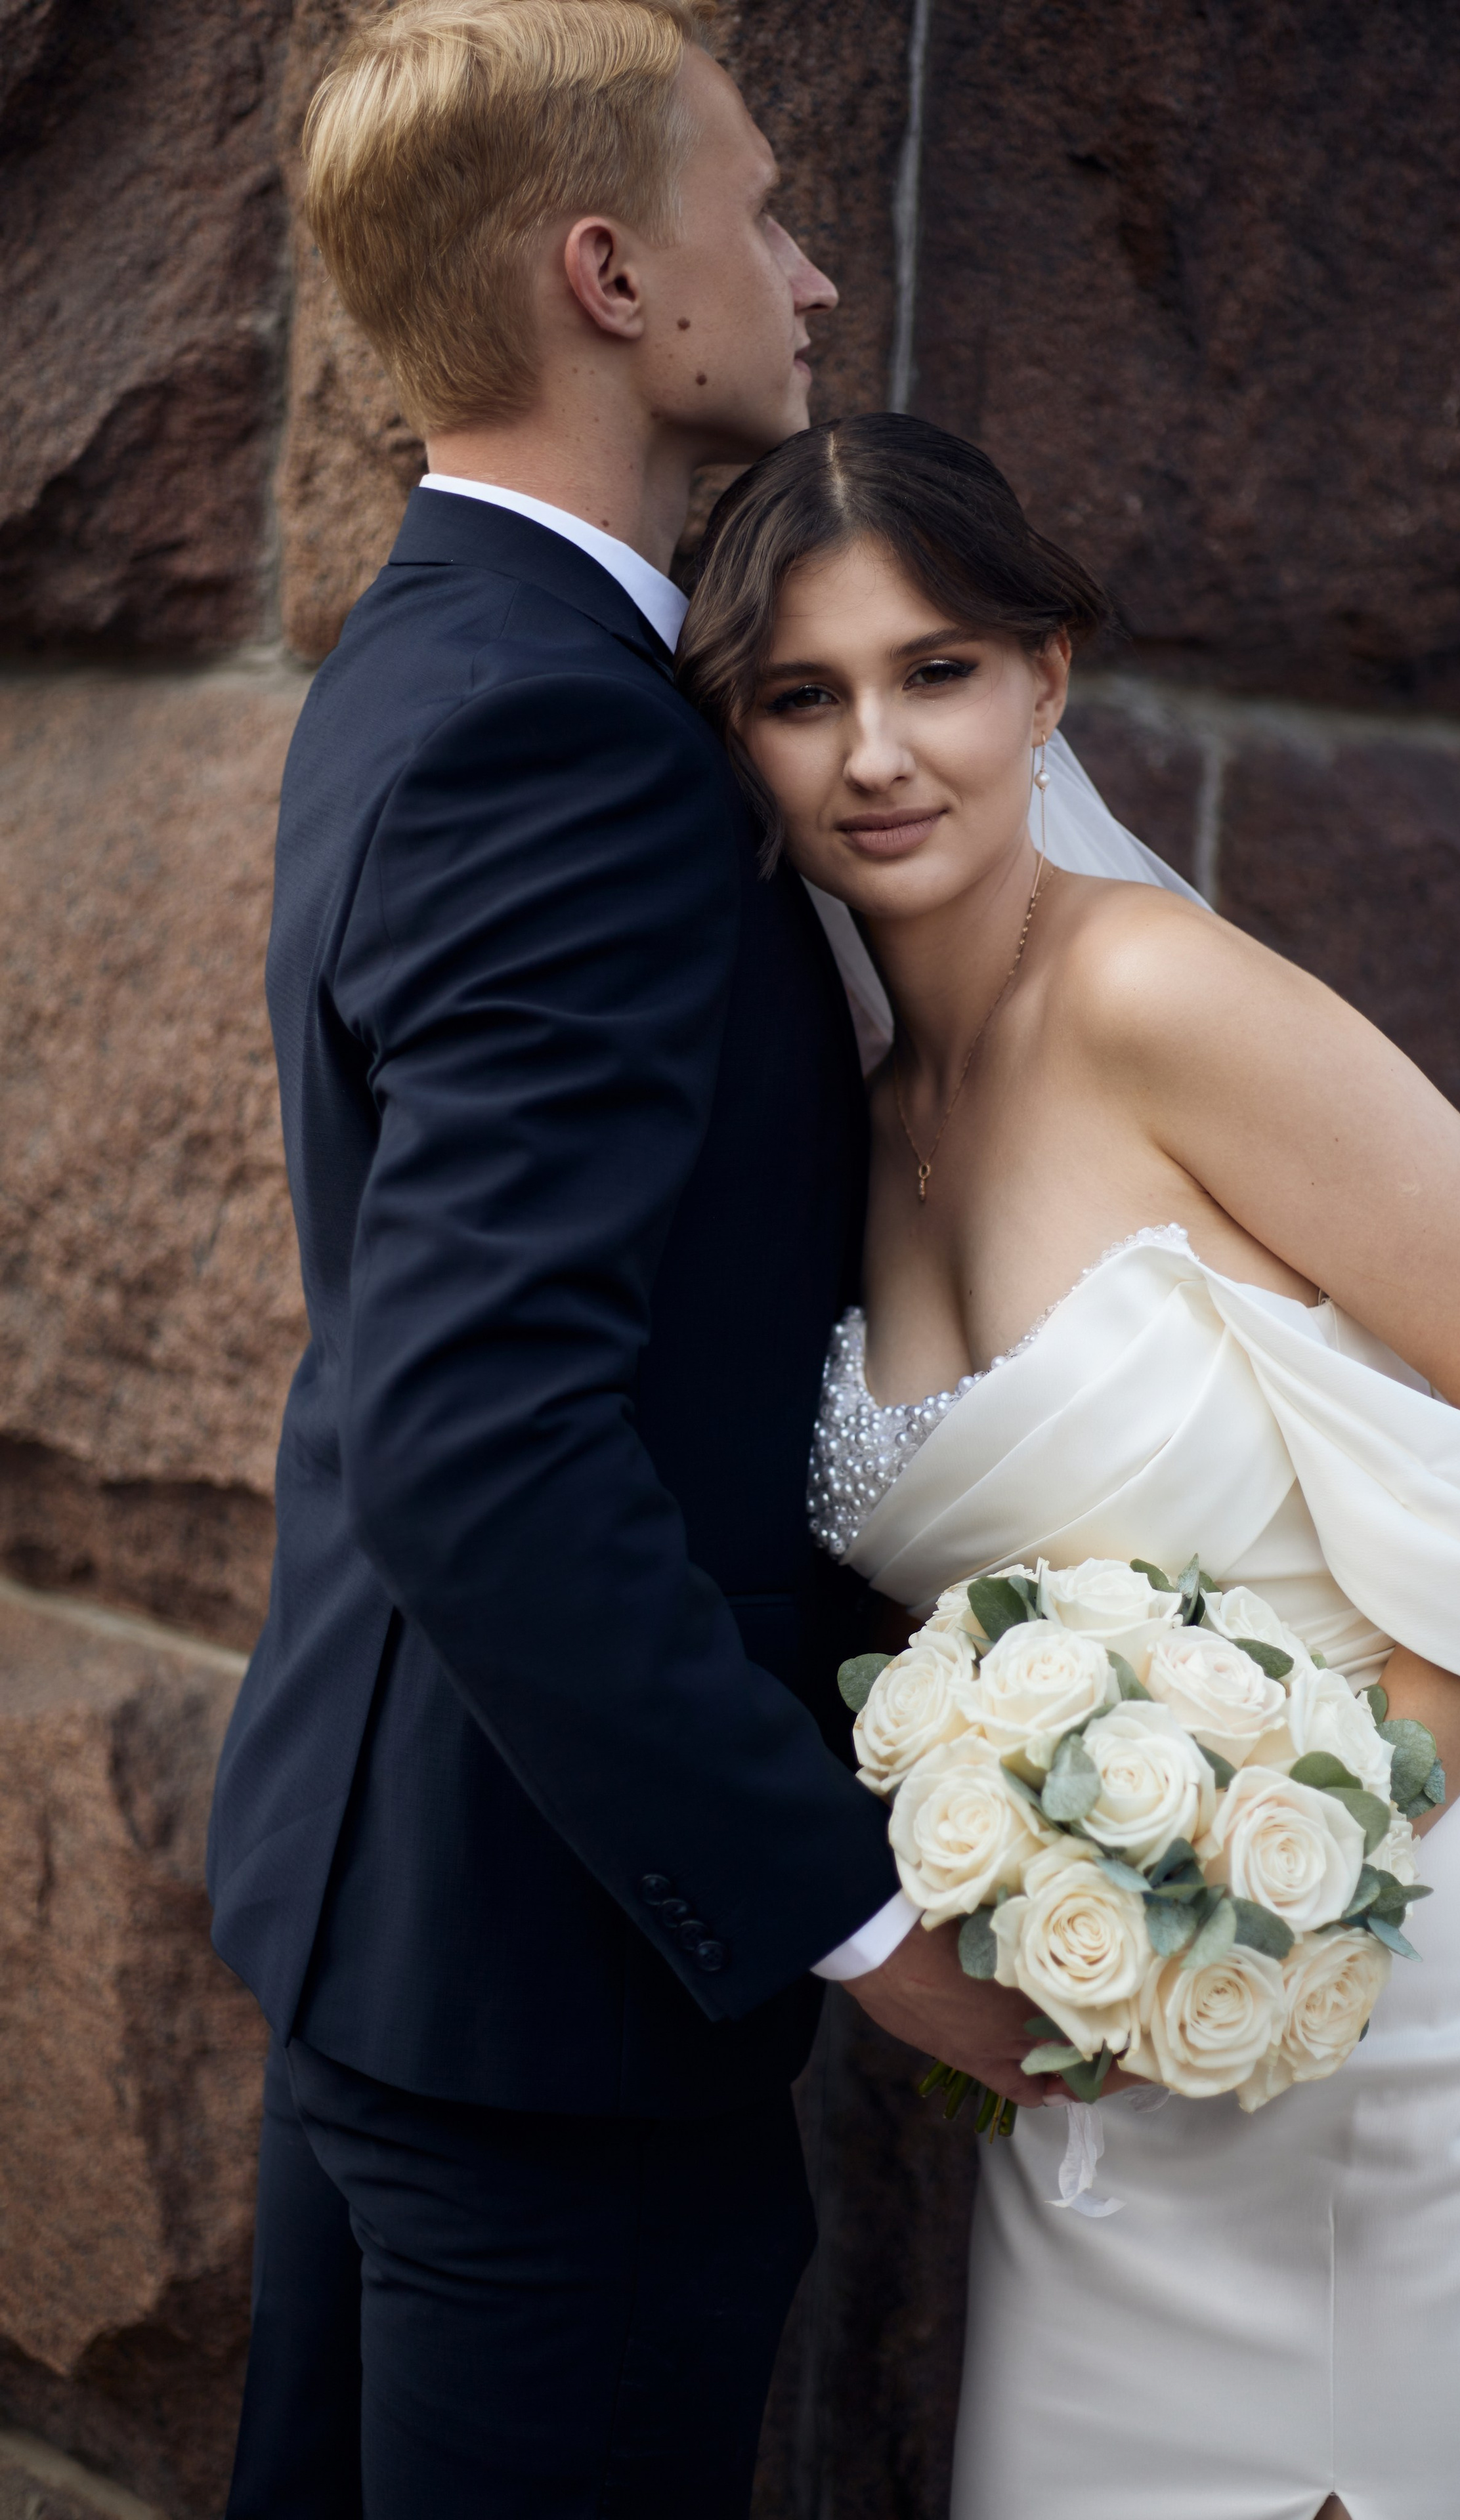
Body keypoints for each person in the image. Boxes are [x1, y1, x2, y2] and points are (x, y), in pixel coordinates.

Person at [676, 411, 1460, 2520]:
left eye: (936, 670)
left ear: (1050, 678)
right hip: (1118, 2068)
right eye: (802, 695)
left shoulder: (1156, 996)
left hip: (1419, 1995)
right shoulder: (863, 1122)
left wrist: (1291, 1867)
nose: (877, 750)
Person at [207, 14, 1035, 2514]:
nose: (804, 278)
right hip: (553, 1993)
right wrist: (859, 1917)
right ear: (604, 271)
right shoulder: (555, 731)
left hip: (418, 1919)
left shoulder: (445, 654)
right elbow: (481, 1435)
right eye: (763, 213)